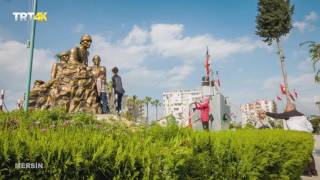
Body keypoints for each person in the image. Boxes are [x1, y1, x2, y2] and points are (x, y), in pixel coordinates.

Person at [260, 103, 317, 176]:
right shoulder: (302, 115)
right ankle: (314, 171)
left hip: (297, 136)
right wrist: (308, 133)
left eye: (286, 107)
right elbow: (310, 126)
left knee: (300, 154)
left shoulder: (289, 114)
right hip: (307, 135)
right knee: (309, 154)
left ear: (291, 107)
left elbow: (277, 116)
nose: (285, 109)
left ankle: (306, 172)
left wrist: (266, 112)